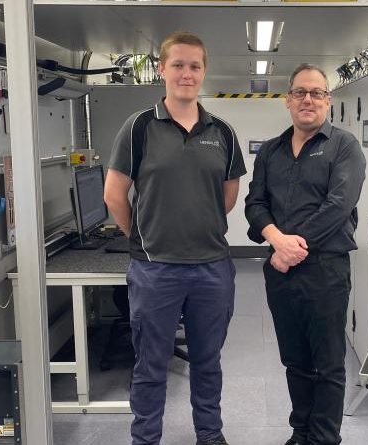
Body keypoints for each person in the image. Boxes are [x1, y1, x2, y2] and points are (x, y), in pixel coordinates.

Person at [103, 31, 246, 445]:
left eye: (195, 66)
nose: (187, 73)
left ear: (204, 72)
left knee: (207, 361)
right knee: (150, 364)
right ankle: (145, 438)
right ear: (162, 69)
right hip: (155, 270)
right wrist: (144, 236)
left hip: (212, 269)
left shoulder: (221, 131)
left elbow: (229, 192)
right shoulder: (139, 127)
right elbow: (114, 194)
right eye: (178, 65)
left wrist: (198, 223)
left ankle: (210, 435)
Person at [245, 63, 366, 445]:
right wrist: (275, 240)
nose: (308, 99)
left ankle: (324, 438)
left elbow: (338, 205)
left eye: (316, 93)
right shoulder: (271, 151)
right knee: (295, 360)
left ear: (328, 101)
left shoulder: (344, 146)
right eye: (300, 92)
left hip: (326, 271)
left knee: (328, 362)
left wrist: (289, 248)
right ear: (288, 100)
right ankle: (302, 431)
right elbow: (254, 202)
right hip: (281, 272)